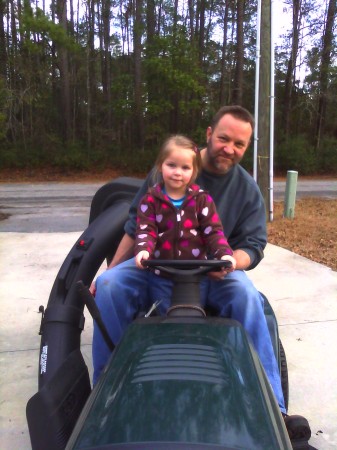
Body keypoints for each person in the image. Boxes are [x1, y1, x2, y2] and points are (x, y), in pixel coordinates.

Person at [91, 106, 310, 440]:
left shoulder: (246, 190)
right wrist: (109, 269)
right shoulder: (169, 172)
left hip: (214, 274)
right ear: (209, 134)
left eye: (239, 144)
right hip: (155, 268)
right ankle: (105, 394)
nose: (229, 148)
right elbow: (135, 227)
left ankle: (273, 408)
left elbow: (253, 244)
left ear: (246, 147)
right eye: (224, 138)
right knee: (109, 286)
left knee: (248, 297)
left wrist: (231, 262)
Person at [134, 135, 236, 311]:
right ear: (160, 165)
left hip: (196, 277)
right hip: (162, 275)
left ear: (194, 171)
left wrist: (224, 254)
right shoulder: (150, 200)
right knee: (166, 319)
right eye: (171, 165)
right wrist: (143, 249)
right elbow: (146, 230)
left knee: (193, 317)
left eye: (185, 167)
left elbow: (213, 232)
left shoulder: (202, 200)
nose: (177, 172)